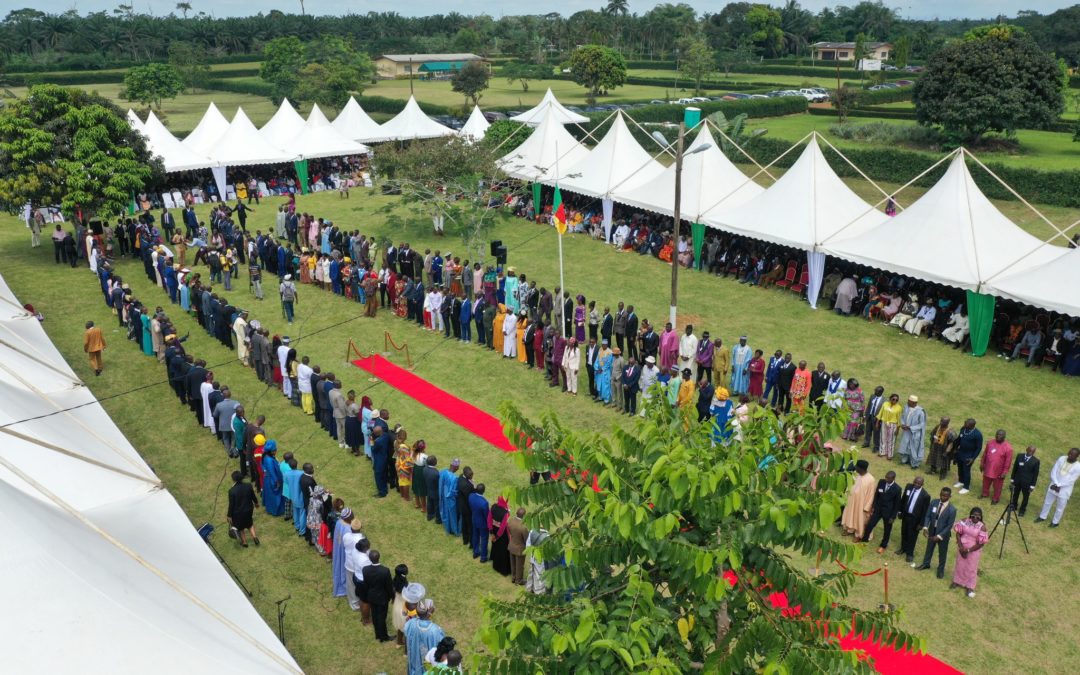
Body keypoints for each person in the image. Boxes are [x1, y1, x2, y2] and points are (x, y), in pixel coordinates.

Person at [913, 487, 956, 579]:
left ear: (949, 496)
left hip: (943, 535)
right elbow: (928, 515)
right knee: (929, 548)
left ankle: (940, 571)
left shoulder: (952, 509)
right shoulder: (934, 502)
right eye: (941, 494)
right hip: (932, 531)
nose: (942, 497)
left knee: (942, 553)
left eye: (945, 496)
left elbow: (949, 526)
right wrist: (925, 527)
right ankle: (926, 564)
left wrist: (939, 536)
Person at [1035, 447, 1080, 527]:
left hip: (1064, 490)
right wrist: (1056, 483)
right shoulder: (1062, 458)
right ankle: (1042, 516)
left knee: (1060, 507)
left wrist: (1059, 485)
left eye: (1072, 455)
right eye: (1069, 453)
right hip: (1054, 484)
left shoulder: (1078, 466)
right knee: (1047, 502)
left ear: (1077, 456)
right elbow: (1054, 470)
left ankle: (1055, 522)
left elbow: (1071, 480)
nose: (1069, 456)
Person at [951, 507, 989, 598]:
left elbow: (981, 543)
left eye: (978, 516)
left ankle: (969, 586)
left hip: (973, 550)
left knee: (971, 568)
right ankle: (957, 581)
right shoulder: (964, 521)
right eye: (973, 515)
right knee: (959, 565)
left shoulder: (982, 527)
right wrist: (961, 547)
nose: (975, 518)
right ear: (970, 515)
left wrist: (968, 550)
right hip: (962, 547)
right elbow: (958, 533)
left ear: (981, 517)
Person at [861, 470, 901, 553]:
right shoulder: (881, 482)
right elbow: (876, 495)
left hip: (888, 513)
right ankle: (864, 540)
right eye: (885, 477)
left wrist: (893, 517)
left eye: (888, 478)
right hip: (878, 510)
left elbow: (897, 504)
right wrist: (873, 506)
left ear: (893, 478)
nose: (886, 479)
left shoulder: (897, 489)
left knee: (887, 530)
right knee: (870, 525)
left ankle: (883, 546)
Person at [404, 599, 445, 675]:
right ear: (430, 611)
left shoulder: (411, 623)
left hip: (414, 656)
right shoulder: (435, 630)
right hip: (429, 660)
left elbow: (406, 633)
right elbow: (441, 645)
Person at [363, 550, 394, 642]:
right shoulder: (385, 571)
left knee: (375, 614)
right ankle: (383, 637)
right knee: (381, 617)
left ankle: (377, 634)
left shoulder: (365, 569)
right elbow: (389, 586)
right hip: (382, 598)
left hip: (371, 596)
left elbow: (366, 583)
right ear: (379, 557)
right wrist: (392, 597)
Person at [897, 476, 930, 563]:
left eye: (918, 484)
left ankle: (909, 553)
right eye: (915, 482)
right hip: (905, 515)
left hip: (915, 519)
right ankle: (903, 548)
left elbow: (925, 511)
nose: (916, 485)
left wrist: (921, 524)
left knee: (912, 536)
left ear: (922, 484)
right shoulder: (908, 487)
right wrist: (900, 511)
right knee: (904, 532)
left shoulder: (925, 495)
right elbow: (903, 499)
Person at [841, 460, 876, 540]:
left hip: (861, 504)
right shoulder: (855, 475)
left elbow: (871, 495)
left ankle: (859, 535)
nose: (855, 468)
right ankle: (849, 529)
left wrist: (867, 507)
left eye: (857, 467)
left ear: (861, 469)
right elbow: (850, 486)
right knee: (850, 516)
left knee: (860, 519)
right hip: (851, 500)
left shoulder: (871, 479)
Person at [979, 429, 1014, 505]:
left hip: (998, 471)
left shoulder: (1008, 448)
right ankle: (985, 493)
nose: (998, 436)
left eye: (1000, 435)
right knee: (985, 482)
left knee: (997, 486)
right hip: (988, 468)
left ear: (1004, 436)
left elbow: (1008, 462)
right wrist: (982, 464)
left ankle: (996, 498)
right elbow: (985, 454)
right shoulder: (990, 443)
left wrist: (1004, 472)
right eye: (997, 434)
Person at [226, 471, 259, 547]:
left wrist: (229, 515)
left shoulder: (231, 491)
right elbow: (253, 496)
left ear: (233, 479)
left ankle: (244, 542)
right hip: (249, 509)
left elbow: (231, 505)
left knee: (240, 527)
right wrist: (256, 503)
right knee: (249, 523)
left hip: (238, 513)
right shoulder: (248, 485)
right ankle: (255, 537)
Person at [952, 418, 984, 495]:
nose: (964, 424)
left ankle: (966, 487)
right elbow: (959, 439)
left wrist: (973, 458)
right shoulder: (963, 429)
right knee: (960, 468)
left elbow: (979, 448)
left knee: (966, 471)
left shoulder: (978, 434)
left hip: (969, 455)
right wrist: (955, 449)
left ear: (972, 425)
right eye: (965, 422)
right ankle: (961, 481)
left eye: (966, 423)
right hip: (960, 452)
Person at [1008, 446, 1040, 516]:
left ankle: (1022, 510)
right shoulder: (1020, 456)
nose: (1030, 453)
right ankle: (1014, 506)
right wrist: (1012, 479)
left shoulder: (1036, 461)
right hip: (1017, 480)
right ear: (1027, 450)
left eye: (1032, 452)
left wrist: (1032, 486)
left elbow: (1035, 475)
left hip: (1027, 483)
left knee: (1025, 497)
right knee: (1015, 494)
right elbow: (1015, 468)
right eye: (1030, 451)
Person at [898, 395, 927, 468]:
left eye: (909, 402)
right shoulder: (906, 407)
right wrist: (903, 424)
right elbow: (902, 417)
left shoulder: (920, 412)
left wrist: (911, 427)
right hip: (906, 432)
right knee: (905, 446)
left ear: (914, 403)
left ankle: (914, 464)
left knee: (914, 448)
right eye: (908, 401)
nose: (907, 402)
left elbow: (922, 424)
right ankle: (904, 460)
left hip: (915, 433)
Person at [332, 507, 355, 598]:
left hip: (338, 547)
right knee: (343, 568)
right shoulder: (348, 529)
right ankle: (343, 586)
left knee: (338, 564)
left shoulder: (339, 522)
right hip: (344, 551)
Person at [927, 417, 957, 481]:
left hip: (944, 449)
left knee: (944, 462)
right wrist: (933, 439)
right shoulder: (938, 427)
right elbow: (933, 434)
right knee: (933, 458)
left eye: (943, 422)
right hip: (935, 446)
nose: (941, 423)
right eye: (941, 421)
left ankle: (943, 474)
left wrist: (946, 452)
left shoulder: (951, 432)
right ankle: (933, 470)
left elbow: (951, 443)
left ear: (947, 423)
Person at [489, 496, 511, 576]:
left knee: (496, 548)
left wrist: (492, 533)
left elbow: (489, 519)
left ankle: (495, 566)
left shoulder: (493, 507)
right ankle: (503, 570)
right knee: (503, 551)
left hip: (494, 531)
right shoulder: (505, 513)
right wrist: (497, 536)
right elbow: (503, 527)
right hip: (501, 535)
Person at [876, 393, 903, 460]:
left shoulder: (899, 408)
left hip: (893, 424)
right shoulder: (885, 404)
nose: (894, 401)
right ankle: (882, 452)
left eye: (896, 400)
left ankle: (890, 454)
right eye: (893, 399)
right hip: (884, 422)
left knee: (891, 440)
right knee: (883, 437)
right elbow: (880, 413)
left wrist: (898, 429)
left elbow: (899, 419)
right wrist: (877, 422)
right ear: (890, 398)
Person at [507, 507, 529, 585]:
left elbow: (509, 531)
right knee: (520, 565)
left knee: (513, 563)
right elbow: (527, 539)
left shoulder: (510, 521)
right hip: (520, 548)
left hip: (511, 545)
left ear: (516, 513)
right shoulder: (523, 527)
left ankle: (513, 577)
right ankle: (518, 580)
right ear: (524, 516)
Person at [261, 444, 284, 517]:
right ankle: (276, 510)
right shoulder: (269, 460)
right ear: (272, 451)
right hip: (272, 480)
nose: (276, 450)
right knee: (275, 495)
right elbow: (272, 471)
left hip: (268, 478)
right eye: (275, 450)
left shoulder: (266, 456)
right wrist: (276, 481)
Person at [469, 484, 490, 562]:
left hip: (474, 520)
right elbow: (487, 516)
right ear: (483, 491)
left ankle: (476, 552)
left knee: (475, 536)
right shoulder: (484, 503)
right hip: (483, 524)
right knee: (484, 539)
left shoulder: (471, 496)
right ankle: (483, 557)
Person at [439, 459, 461, 536]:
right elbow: (454, 492)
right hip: (450, 499)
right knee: (452, 515)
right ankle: (453, 530)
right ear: (456, 467)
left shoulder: (443, 472)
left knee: (444, 511)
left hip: (442, 496)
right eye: (458, 467)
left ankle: (446, 526)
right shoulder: (455, 478)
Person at [861, 386, 885, 453]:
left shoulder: (884, 400)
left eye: (876, 390)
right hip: (869, 416)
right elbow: (868, 406)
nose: (874, 391)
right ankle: (866, 443)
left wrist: (879, 420)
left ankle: (876, 446)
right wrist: (865, 415)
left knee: (876, 433)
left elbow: (883, 411)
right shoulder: (872, 396)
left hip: (877, 418)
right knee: (868, 430)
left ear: (880, 392)